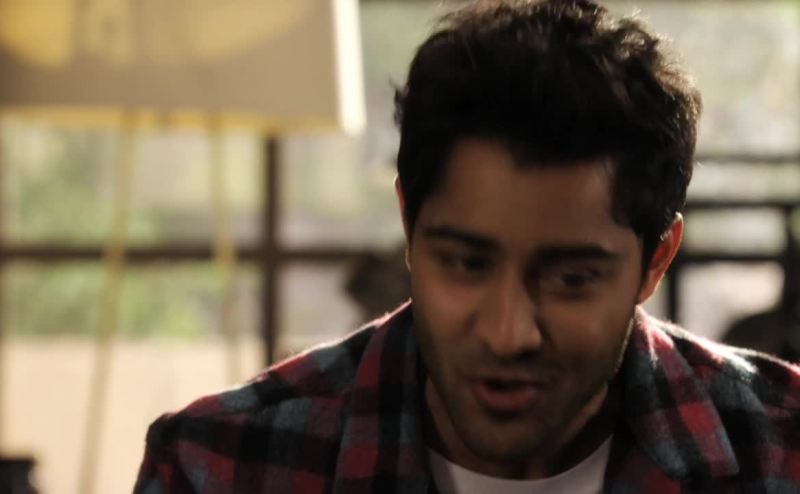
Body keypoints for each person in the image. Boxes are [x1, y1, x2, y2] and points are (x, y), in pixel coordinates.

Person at [134, 1, 800, 492]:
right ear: (408, 226)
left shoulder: (780, 450)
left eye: (571, 279)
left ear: (656, 259)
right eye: (466, 264)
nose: (508, 334)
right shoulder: (223, 465)